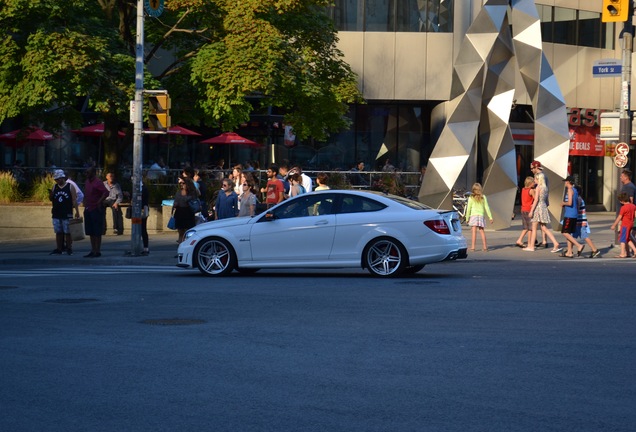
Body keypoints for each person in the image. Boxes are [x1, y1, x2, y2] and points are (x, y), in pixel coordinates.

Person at [523, 171, 562, 253]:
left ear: (538, 179)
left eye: (535, 179)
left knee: (534, 227)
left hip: (538, 208)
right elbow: (545, 199)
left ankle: (531, 246)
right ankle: (555, 243)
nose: (534, 180)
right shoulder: (545, 188)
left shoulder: (538, 188)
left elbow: (536, 200)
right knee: (544, 227)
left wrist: (531, 210)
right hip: (543, 207)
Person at [49, 169, 80, 255]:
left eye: (58, 179)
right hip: (56, 212)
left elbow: (74, 199)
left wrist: (77, 211)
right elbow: (52, 198)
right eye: (56, 179)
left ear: (63, 178)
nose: (57, 181)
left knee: (68, 231)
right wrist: (51, 195)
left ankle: (69, 247)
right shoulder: (55, 187)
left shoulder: (70, 186)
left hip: (67, 212)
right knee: (58, 231)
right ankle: (59, 248)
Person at [83, 167, 109, 257]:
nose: (86, 174)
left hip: (95, 208)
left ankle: (97, 250)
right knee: (90, 231)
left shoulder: (98, 182)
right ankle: (92, 249)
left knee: (97, 231)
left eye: (88, 172)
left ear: (93, 173)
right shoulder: (87, 182)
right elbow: (86, 193)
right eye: (86, 172)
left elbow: (106, 192)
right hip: (88, 208)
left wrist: (99, 201)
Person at [559, 176, 584, 258]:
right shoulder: (575, 190)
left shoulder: (570, 190)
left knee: (565, 232)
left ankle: (578, 245)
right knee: (569, 233)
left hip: (570, 214)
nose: (565, 183)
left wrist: (563, 203)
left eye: (566, 181)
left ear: (569, 182)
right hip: (573, 214)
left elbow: (569, 203)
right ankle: (569, 252)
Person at [574, 185, 601, 258]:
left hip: (580, 221)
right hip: (579, 221)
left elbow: (576, 209)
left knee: (584, 236)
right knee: (571, 235)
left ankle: (595, 250)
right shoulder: (579, 199)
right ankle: (569, 250)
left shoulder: (578, 199)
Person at [464, 182, 493, 251]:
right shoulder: (483, 197)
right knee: (482, 231)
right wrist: (490, 217)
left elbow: (468, 208)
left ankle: (473, 247)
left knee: (474, 232)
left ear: (473, 190)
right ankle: (485, 247)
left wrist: (467, 218)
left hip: (473, 216)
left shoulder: (471, 198)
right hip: (481, 216)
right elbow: (487, 207)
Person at [172, 176, 199, 244]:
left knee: (189, 232)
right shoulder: (178, 193)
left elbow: (190, 200)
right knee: (181, 232)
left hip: (188, 212)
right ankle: (180, 246)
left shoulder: (192, 193)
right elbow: (176, 201)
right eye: (180, 183)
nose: (181, 184)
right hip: (179, 212)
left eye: (183, 183)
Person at [610, 192, 636, 258]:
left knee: (622, 239)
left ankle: (622, 253)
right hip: (631, 224)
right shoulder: (633, 206)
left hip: (625, 225)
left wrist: (614, 225)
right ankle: (634, 250)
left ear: (622, 201)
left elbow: (619, 217)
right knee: (627, 238)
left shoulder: (623, 208)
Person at [515, 176, 535, 248]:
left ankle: (519, 240)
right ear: (530, 183)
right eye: (533, 182)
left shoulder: (523, 189)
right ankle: (529, 243)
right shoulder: (531, 190)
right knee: (530, 228)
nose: (534, 183)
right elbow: (536, 199)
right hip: (529, 210)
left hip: (523, 209)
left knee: (525, 228)